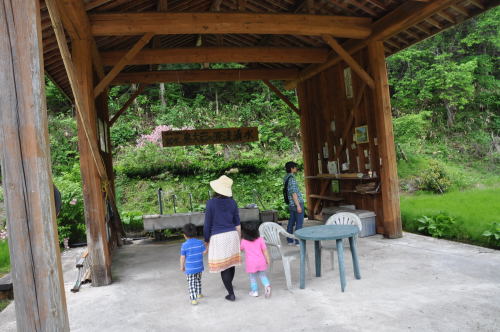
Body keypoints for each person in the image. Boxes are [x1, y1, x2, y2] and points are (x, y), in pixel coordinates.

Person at [203, 175, 241, 301]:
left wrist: (206, 240)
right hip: (232, 235)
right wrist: (239, 240)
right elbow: (237, 224)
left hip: (218, 237)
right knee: (231, 263)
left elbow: (207, 224)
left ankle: (231, 293)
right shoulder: (233, 202)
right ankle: (230, 284)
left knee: (223, 266)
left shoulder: (211, 203)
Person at [240, 223, 271, 298]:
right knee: (263, 275)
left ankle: (255, 292)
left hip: (251, 264)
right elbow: (265, 251)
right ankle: (267, 286)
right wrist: (268, 260)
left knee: (252, 278)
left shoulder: (243, 241)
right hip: (261, 262)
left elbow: (240, 249)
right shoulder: (260, 239)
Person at [180, 223, 206, 305]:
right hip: (199, 267)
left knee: (191, 284)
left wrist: (182, 266)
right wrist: (206, 246)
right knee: (198, 280)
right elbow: (204, 252)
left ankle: (193, 299)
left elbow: (182, 257)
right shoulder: (200, 242)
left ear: (185, 235)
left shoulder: (184, 245)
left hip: (190, 268)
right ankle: (199, 294)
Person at [284, 161, 304, 245]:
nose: (296, 168)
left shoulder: (286, 177)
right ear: (292, 168)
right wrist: (298, 206)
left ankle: (289, 240)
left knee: (291, 222)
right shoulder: (291, 178)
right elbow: (293, 193)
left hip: (291, 204)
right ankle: (297, 241)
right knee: (299, 223)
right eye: (295, 167)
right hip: (296, 204)